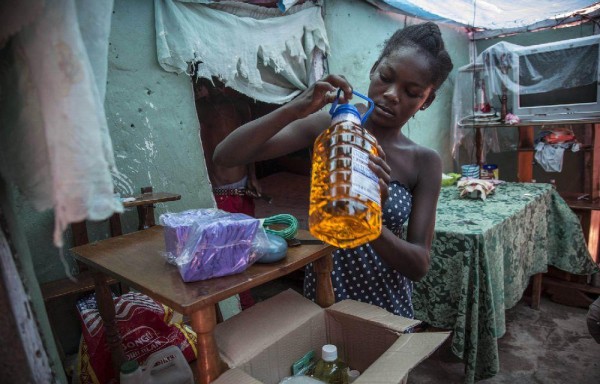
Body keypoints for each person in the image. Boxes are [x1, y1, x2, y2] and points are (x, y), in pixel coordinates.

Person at [213, 22, 453, 318]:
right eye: (386, 77)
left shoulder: (424, 162)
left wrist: (367, 217)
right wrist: (296, 107)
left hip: (386, 305)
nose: (392, 94)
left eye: (412, 92)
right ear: (374, 68)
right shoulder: (331, 129)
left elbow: (418, 264)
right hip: (328, 292)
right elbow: (225, 155)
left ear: (426, 101)